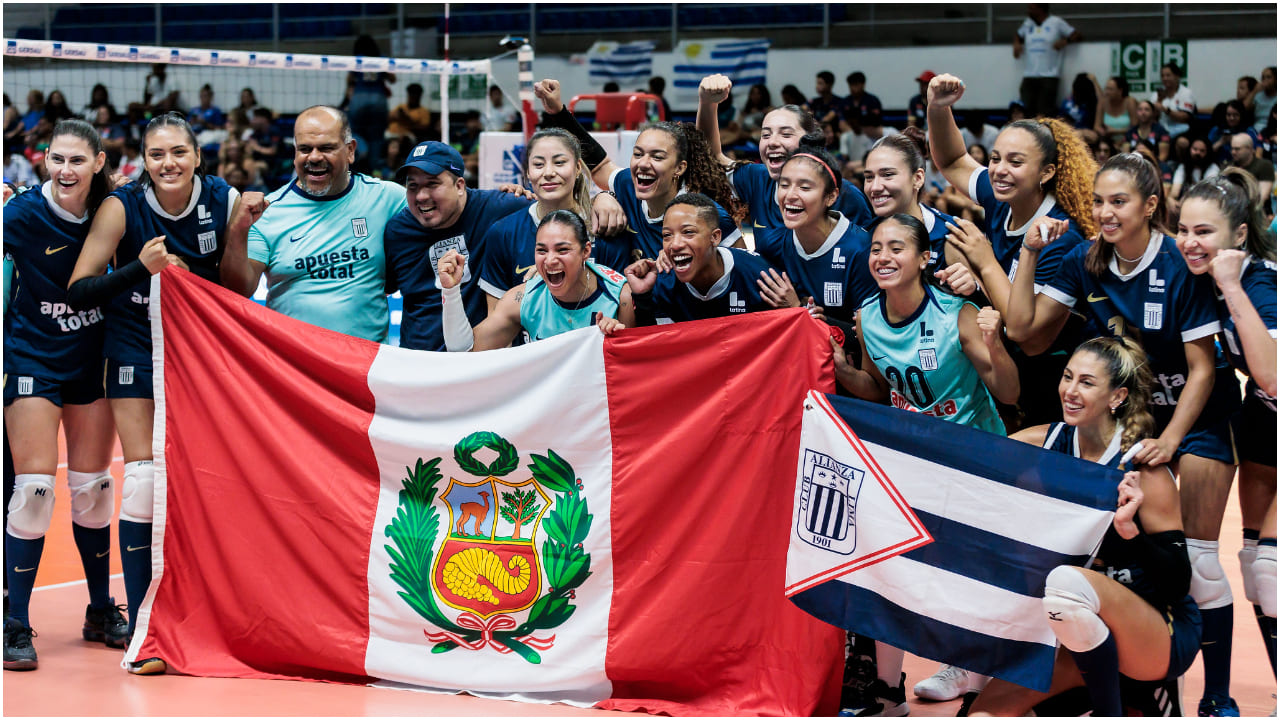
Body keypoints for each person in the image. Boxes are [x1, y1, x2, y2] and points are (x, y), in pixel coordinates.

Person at [990, 153, 1243, 716]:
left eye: (1119, 201)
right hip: (1131, 410)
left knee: (1197, 560)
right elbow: (1023, 329)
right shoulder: (1086, 258)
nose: (1104, 212)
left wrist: (1173, 441)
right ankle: (1133, 682)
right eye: (1099, 201)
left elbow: (1202, 368)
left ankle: (1218, 696)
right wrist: (1030, 251)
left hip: (1195, 416)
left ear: (1151, 207)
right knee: (1112, 546)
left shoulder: (1179, 262)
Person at [66, 113, 257, 675]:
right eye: (156, 155)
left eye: (178, 152)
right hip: (132, 349)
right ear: (142, 161)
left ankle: (210, 606)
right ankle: (145, 624)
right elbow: (79, 290)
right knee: (144, 480)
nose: (168, 163)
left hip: (200, 355)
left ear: (199, 156)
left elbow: (241, 287)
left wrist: (241, 228)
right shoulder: (122, 207)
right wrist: (140, 270)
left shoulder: (224, 200)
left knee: (209, 478)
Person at [968, 337, 1199, 717]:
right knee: (980, 715)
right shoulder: (1041, 444)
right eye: (1067, 377)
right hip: (1074, 634)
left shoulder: (1142, 466)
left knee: (1066, 584)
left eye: (1087, 383)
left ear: (1117, 396)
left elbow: (1178, 583)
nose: (1070, 391)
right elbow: (964, 471)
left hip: (1156, 630)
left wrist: (1131, 535)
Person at [3, 119, 125, 672]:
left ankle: (100, 610)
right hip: (31, 356)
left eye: (77, 160)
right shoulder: (24, 213)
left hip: (89, 361)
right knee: (32, 489)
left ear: (98, 162)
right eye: (56, 160)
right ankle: (14, 623)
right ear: (43, 161)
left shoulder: (114, 210)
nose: (66, 170)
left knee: (94, 490)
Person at [928, 71, 1097, 433]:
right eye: (995, 158)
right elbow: (953, 159)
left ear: (1046, 172)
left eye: (1016, 162)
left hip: (1055, 376)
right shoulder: (1000, 195)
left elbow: (1025, 331)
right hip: (1008, 362)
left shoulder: (1061, 236)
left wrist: (983, 261)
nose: (1000, 171)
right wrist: (939, 109)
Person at [1176, 168, 1278, 681]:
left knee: (1273, 569)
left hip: (1272, 395)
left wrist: (1232, 284)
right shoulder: (1202, 281)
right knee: (1255, 568)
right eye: (1184, 230)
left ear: (1239, 235)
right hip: (1265, 419)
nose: (1190, 243)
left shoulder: (1259, 282)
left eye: (1204, 232)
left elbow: (1272, 375)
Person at [384, 140, 623, 352]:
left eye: (432, 184)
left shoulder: (502, 209)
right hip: (416, 361)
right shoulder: (397, 231)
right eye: (412, 186)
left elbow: (558, 206)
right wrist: (450, 291)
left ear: (459, 185)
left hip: (486, 365)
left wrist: (605, 198)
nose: (421, 196)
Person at [221, 106, 405, 342]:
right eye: (305, 149)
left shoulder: (389, 199)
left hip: (365, 368)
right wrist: (238, 228)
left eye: (326, 148)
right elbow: (238, 289)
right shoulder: (267, 211)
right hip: (295, 368)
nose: (315, 157)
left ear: (350, 151)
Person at [535, 78, 742, 262]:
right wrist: (558, 112)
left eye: (657, 156)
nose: (643, 163)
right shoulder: (628, 184)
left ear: (679, 168)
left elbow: (743, 267)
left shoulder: (706, 212)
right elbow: (600, 166)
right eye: (638, 153)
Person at [479, 128, 630, 316]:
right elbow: (496, 321)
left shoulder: (604, 225)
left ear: (577, 169)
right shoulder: (503, 233)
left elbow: (621, 309)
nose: (548, 172)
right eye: (538, 164)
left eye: (559, 162)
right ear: (527, 171)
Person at [696, 74, 874, 231]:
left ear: (810, 140)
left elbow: (862, 260)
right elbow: (712, 161)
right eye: (765, 134)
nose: (772, 142)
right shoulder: (758, 178)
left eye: (786, 134)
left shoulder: (846, 196)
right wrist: (707, 103)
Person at [439, 210, 635, 350]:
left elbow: (633, 373)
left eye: (562, 250)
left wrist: (617, 342)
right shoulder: (523, 298)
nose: (550, 260)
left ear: (585, 251)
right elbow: (464, 353)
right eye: (542, 250)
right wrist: (450, 291)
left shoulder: (619, 296)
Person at [752, 148, 877, 326]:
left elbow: (870, 333)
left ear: (831, 196)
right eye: (784, 185)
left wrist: (800, 313)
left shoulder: (861, 250)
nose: (790, 195)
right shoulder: (772, 245)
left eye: (804, 187)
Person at [624, 193, 774, 324]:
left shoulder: (761, 277)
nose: (675, 245)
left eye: (688, 232)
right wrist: (642, 297)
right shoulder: (662, 284)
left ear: (715, 237)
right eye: (667, 235)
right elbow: (655, 347)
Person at [1013, 4, 1082, 118]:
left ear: (1040, 9)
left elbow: (1077, 35)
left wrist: (1065, 40)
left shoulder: (1056, 22)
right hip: (1029, 74)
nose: (1028, 11)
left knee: (1044, 113)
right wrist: (1016, 43)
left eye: (1031, 8)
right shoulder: (1027, 23)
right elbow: (1018, 34)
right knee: (1025, 110)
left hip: (1049, 75)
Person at [345, 35, 395, 175]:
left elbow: (350, 80)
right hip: (378, 99)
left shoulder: (358, 58)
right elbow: (393, 78)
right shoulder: (382, 58)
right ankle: (376, 170)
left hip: (359, 99)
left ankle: (360, 155)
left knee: (354, 131)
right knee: (377, 137)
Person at [1151, 62, 1196, 144]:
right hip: (1160, 131)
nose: (1165, 78)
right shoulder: (1156, 95)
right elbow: (1151, 118)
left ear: (1177, 76)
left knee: (1182, 142)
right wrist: (1159, 102)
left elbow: (1185, 118)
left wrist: (1166, 110)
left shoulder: (1186, 93)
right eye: (1162, 76)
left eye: (1168, 75)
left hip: (1181, 131)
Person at [1229, 132, 1275, 206]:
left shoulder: (1264, 165)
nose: (1233, 152)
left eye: (1237, 149)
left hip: (1256, 210)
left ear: (1249, 148)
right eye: (1232, 148)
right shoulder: (1230, 167)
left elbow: (1263, 195)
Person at [1210, 100, 1261, 165]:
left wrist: (1234, 140)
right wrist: (1221, 142)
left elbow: (1253, 152)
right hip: (1218, 164)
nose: (1232, 118)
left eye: (1235, 115)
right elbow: (1206, 152)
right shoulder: (1216, 130)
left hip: (1242, 165)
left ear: (1241, 115)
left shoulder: (1249, 131)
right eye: (1228, 115)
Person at [1094, 76, 1137, 149]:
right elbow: (1096, 126)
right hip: (1108, 141)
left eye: (1110, 89)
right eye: (1106, 89)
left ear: (1120, 91)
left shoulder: (1130, 101)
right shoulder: (1102, 102)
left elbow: (1135, 126)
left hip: (1127, 140)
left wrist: (1116, 131)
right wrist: (1103, 132)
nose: (1107, 92)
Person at [1245, 66, 1277, 135]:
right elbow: (1244, 108)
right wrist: (1254, 91)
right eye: (1263, 78)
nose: (1265, 80)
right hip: (1256, 129)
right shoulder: (1258, 95)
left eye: (1268, 77)